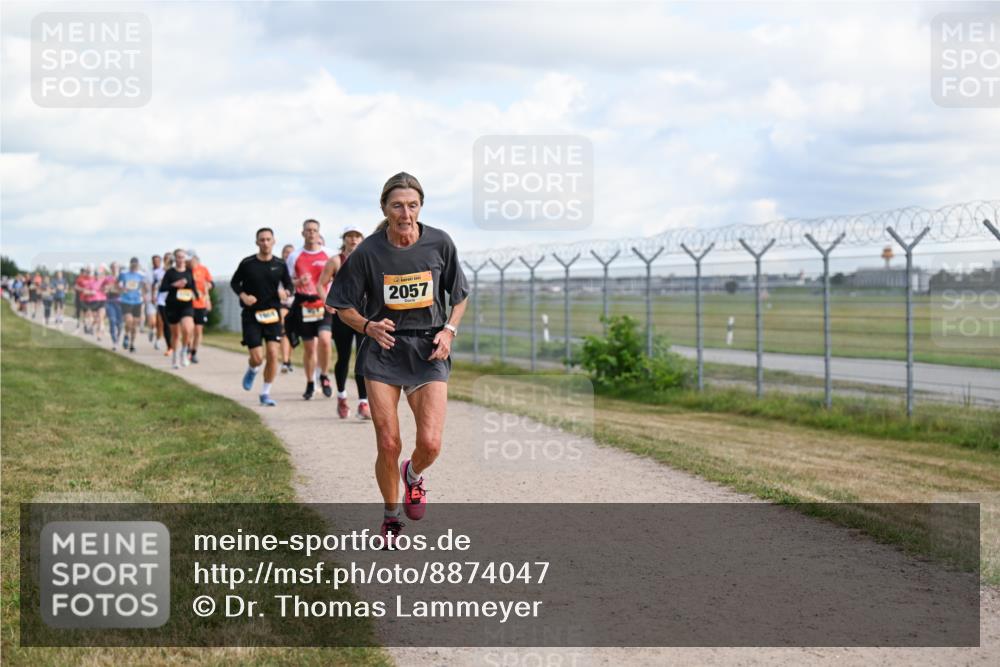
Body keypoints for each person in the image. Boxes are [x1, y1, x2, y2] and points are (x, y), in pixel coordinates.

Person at [326, 172, 469, 545]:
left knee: (430, 443)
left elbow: (460, 295)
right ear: (384, 208)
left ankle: (414, 475)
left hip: (428, 349)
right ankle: (391, 517)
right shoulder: (368, 251)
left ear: (420, 207)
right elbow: (341, 305)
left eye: (412, 205)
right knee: (388, 442)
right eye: (397, 206)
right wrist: (367, 325)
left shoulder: (439, 243)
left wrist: (449, 331)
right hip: (384, 350)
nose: (405, 214)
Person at [230, 227, 293, 406]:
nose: (265, 243)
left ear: (274, 241)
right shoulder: (247, 263)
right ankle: (253, 368)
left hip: (272, 314)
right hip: (251, 315)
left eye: (268, 239)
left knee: (273, 354)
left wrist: (286, 292)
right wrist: (244, 296)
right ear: (257, 242)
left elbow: (289, 285)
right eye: (262, 240)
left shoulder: (280, 264)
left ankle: (265, 393)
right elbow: (234, 283)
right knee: (257, 358)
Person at [319, 224, 371, 419]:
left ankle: (363, 403)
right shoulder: (335, 261)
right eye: (350, 236)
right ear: (344, 239)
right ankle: (341, 397)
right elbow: (321, 284)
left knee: (363, 358)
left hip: (363, 314)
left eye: (357, 236)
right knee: (344, 357)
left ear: (362, 239)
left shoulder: (368, 259)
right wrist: (327, 302)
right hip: (342, 314)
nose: (353, 239)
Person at [286, 219, 335, 400]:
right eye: (308, 230)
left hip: (323, 303)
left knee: (325, 340)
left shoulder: (329, 254)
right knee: (309, 348)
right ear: (303, 233)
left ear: (319, 233)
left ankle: (324, 375)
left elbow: (339, 276)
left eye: (314, 230)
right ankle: (310, 382)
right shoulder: (294, 256)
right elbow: (287, 281)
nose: (311, 233)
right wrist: (298, 282)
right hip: (304, 305)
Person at [162, 249, 197, 369]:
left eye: (182, 257)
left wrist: (197, 295)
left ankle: (184, 352)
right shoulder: (170, 272)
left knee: (187, 328)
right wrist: (174, 285)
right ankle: (175, 357)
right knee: (175, 334)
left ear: (185, 258)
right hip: (172, 305)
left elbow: (193, 286)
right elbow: (163, 288)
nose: (181, 259)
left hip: (186, 305)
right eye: (178, 257)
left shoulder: (189, 271)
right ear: (175, 258)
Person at [188, 251, 213, 364]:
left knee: (198, 330)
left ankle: (194, 352)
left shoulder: (203, 269)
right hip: (188, 304)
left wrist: (209, 286)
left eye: (193, 260)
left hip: (201, 304)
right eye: (190, 261)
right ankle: (187, 348)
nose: (191, 263)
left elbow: (211, 283)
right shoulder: (186, 270)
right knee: (189, 329)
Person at [118, 257, 147, 353]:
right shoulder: (124, 273)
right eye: (133, 264)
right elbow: (117, 284)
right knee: (129, 320)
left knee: (135, 325)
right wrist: (122, 289)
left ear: (138, 265)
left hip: (137, 301)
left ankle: (132, 344)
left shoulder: (141, 275)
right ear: (130, 264)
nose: (134, 266)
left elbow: (145, 288)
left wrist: (144, 293)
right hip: (126, 300)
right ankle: (126, 335)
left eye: (136, 264)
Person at [279, 243, 296, 374]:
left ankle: (289, 359)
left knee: (292, 333)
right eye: (286, 252)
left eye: (291, 252)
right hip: (281, 303)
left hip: (296, 303)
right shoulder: (277, 267)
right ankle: (285, 361)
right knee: (284, 330)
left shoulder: (298, 267)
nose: (288, 254)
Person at [156, 252, 174, 355]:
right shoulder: (159, 272)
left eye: (170, 259)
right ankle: (169, 346)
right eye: (167, 259)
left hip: (175, 301)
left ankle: (175, 343)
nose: (169, 260)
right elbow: (159, 285)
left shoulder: (176, 270)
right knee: (166, 323)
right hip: (162, 301)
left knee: (174, 324)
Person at [104, 261, 124, 351]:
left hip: (121, 303)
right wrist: (107, 288)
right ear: (111, 268)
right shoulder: (107, 278)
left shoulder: (123, 277)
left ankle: (118, 338)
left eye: (116, 267)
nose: (115, 268)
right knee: (112, 321)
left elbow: (125, 289)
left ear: (119, 268)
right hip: (110, 302)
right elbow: (104, 289)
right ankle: (114, 342)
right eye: (113, 267)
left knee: (120, 324)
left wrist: (118, 288)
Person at [145, 254, 162, 343]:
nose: (156, 263)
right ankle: (152, 329)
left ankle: (158, 340)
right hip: (150, 298)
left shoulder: (164, 272)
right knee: (152, 320)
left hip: (161, 299)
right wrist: (144, 295)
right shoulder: (148, 273)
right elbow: (144, 285)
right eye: (154, 261)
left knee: (160, 321)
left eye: (158, 261)